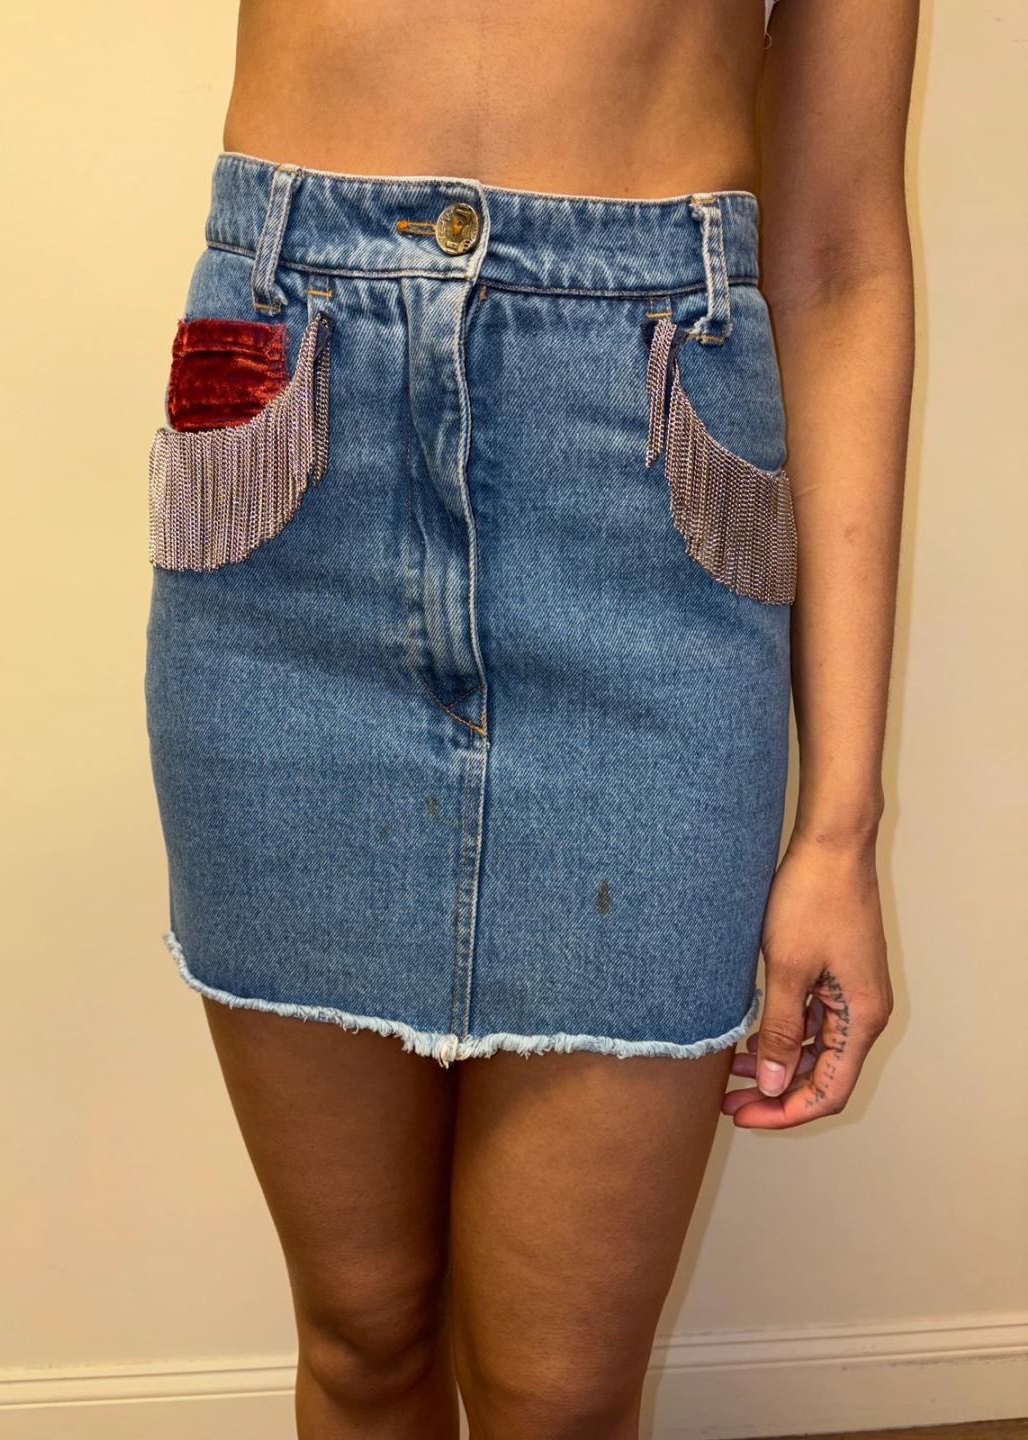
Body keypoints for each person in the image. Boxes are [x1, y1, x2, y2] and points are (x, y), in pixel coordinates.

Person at [143, 0, 918, 1434]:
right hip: (292, 435)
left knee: (557, 1398)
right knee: (363, 1334)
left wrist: (840, 824)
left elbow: (836, 260)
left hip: (652, 493)